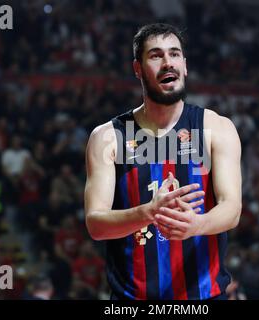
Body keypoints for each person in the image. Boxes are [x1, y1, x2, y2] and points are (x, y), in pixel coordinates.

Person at [84, 23, 242, 300]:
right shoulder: (108, 137)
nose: (168, 62)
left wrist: (197, 225)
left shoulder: (217, 128)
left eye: (175, 54)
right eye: (156, 55)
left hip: (204, 298)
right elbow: (96, 224)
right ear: (137, 69)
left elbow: (232, 208)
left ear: (185, 64)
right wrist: (148, 211)